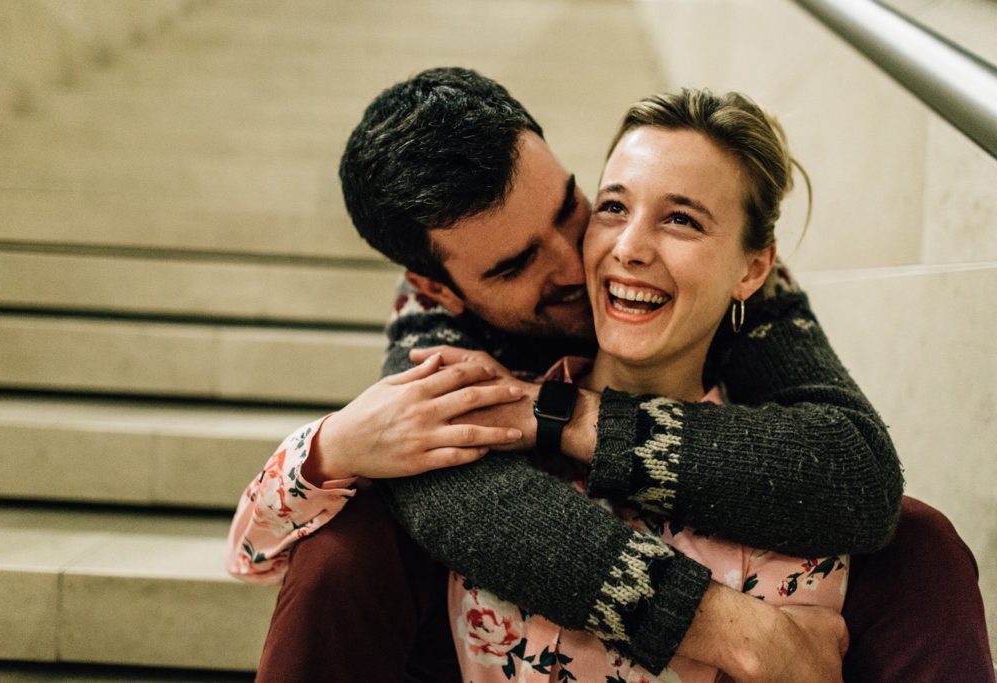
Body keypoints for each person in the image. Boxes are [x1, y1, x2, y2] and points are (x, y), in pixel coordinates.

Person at [227, 68, 994, 682]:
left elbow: (855, 474)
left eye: (574, 207)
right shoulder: (435, 342)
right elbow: (440, 499)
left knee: (919, 540)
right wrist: (332, 445)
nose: (588, 259)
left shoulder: (749, 296)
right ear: (439, 288)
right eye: (518, 263)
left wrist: (558, 413)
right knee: (347, 545)